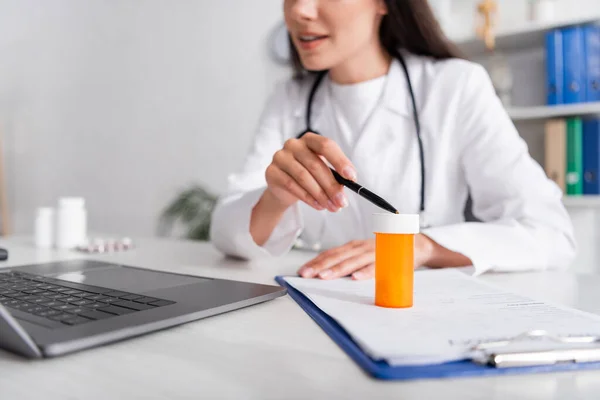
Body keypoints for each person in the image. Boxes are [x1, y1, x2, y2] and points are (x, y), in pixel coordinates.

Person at [210, 0, 576, 280]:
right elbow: (226, 236)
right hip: (312, 306)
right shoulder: (289, 97)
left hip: (416, 309)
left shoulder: (455, 85)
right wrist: (277, 196)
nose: (300, 10)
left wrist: (422, 247)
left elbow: (549, 232)